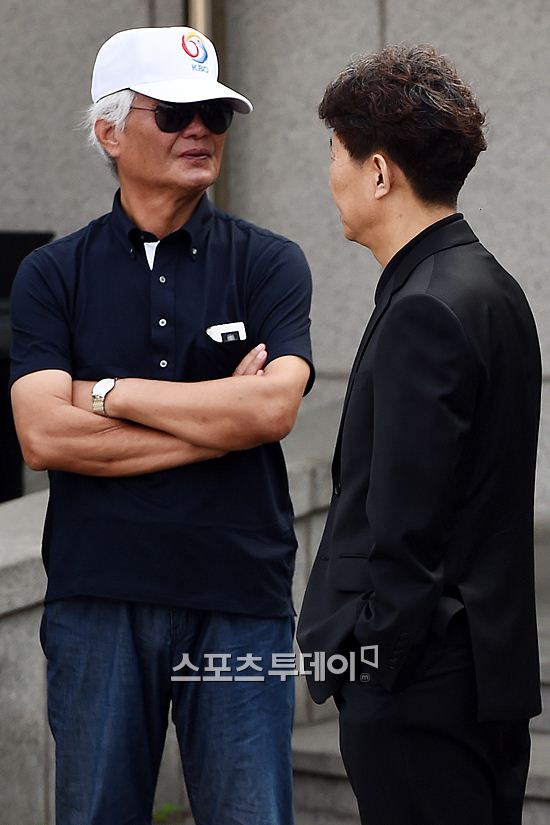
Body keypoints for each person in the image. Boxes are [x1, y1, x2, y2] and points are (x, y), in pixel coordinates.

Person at [10, 26, 314, 825]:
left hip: (241, 599)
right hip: (99, 597)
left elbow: (273, 409)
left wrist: (107, 392)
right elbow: (43, 438)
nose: (200, 130)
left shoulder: (269, 262)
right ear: (110, 132)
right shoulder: (51, 274)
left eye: (215, 114)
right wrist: (218, 419)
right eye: (175, 113)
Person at [297, 44, 541, 825]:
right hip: (481, 675)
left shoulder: (424, 306)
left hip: (421, 691)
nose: (329, 176)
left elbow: (406, 528)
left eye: (334, 153)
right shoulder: (492, 286)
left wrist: (373, 663)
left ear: (378, 172)